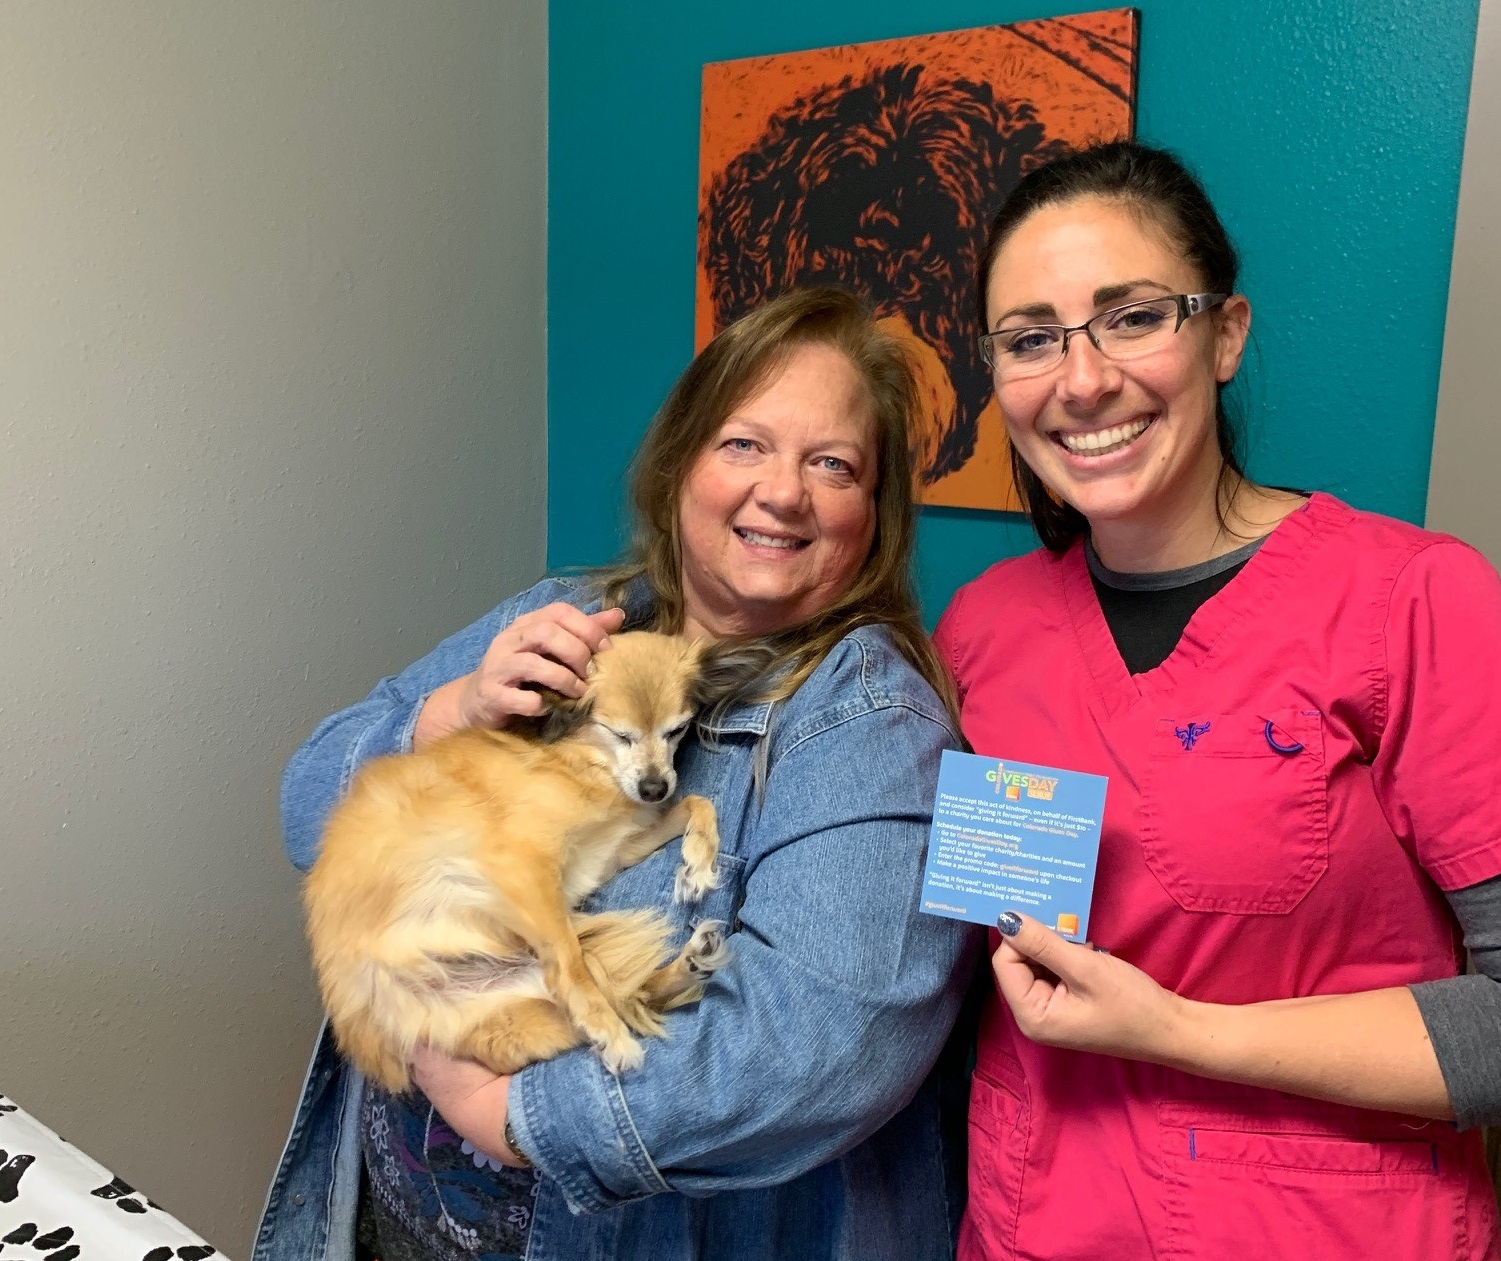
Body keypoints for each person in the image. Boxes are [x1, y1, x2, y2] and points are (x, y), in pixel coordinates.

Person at [253, 287, 982, 1261]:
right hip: (384, 1226)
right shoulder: (564, 617)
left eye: (833, 464)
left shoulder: (868, 731)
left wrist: (510, 1110)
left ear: (873, 515)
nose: (783, 491)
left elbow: (821, 1047)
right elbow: (307, 808)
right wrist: (456, 711)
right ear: (681, 462)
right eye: (744, 444)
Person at [937, 141, 1501, 1260]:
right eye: (1032, 338)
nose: (1082, 377)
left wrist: (1182, 1032)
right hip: (1027, 1221)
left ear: (1224, 334)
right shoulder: (982, 627)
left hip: (1319, 1228)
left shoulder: (1414, 599)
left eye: (1132, 316)